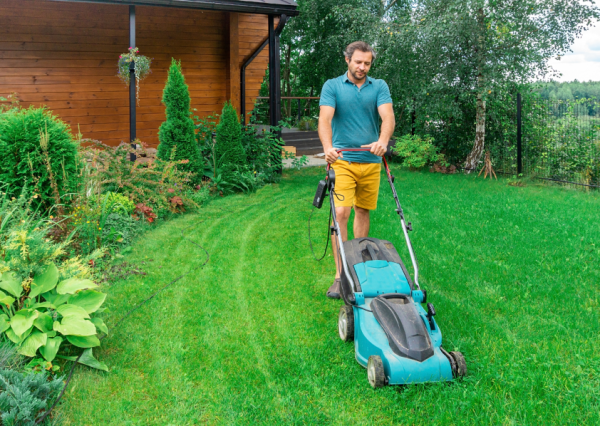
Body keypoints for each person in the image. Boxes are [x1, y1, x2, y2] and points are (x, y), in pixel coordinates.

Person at [318, 41, 395, 299]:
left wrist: (382, 142)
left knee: (362, 210)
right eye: (358, 62)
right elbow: (325, 119)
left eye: (367, 63)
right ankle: (340, 276)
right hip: (342, 160)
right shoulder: (332, 86)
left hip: (371, 162)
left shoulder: (379, 87)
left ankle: (358, 268)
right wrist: (328, 147)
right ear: (347, 60)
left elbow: (388, 117)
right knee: (341, 212)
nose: (362, 67)